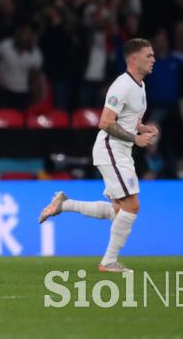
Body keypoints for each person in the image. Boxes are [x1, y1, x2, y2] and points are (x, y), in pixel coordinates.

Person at [38, 38, 158, 272]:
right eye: (149, 56)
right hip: (112, 149)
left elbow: (129, 119)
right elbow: (105, 122)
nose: (153, 60)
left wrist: (142, 128)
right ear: (134, 59)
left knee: (118, 210)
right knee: (132, 206)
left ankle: (64, 204)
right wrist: (135, 138)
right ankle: (108, 262)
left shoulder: (140, 86)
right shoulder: (122, 85)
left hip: (121, 151)